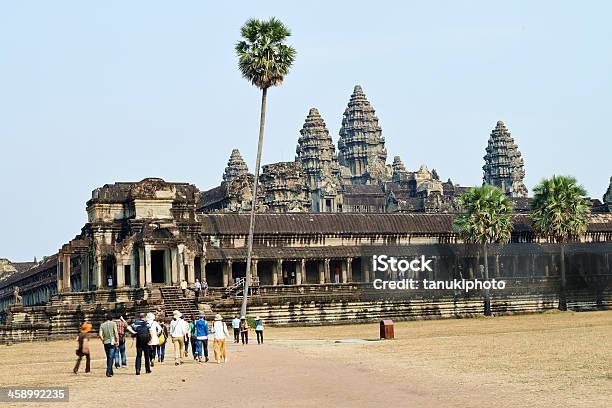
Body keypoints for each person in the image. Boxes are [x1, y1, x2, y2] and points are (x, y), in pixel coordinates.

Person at [98, 313, 118, 377]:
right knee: (111, 357)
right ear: (111, 318)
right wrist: (117, 341)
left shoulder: (102, 325)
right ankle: (108, 371)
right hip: (112, 342)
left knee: (108, 357)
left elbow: (100, 335)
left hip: (106, 342)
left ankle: (110, 371)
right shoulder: (113, 324)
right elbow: (116, 332)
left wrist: (103, 340)